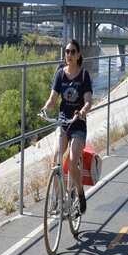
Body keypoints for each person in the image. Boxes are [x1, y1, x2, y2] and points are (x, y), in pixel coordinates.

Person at [40, 39, 93, 213]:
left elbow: (88, 101)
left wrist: (83, 111)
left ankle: (79, 192)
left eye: (72, 52)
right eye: (67, 52)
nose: (69, 55)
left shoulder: (84, 75)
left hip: (78, 124)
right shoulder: (60, 74)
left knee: (71, 161)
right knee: (55, 158)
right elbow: (53, 99)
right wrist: (45, 109)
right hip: (63, 122)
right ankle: (58, 199)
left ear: (78, 55)